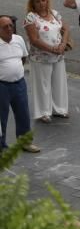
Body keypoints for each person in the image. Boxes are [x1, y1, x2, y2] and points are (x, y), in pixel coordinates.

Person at [23, 0, 69, 124]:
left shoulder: (55, 13)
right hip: (41, 58)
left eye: (43, 0)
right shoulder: (31, 18)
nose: (41, 3)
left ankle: (59, 109)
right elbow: (34, 40)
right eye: (37, 1)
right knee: (43, 85)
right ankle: (44, 112)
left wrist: (62, 45)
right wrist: (52, 50)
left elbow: (65, 29)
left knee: (59, 82)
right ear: (33, 4)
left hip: (58, 56)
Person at [0, 15, 40, 153]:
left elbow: (23, 57)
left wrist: (15, 72)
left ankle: (25, 142)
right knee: (1, 117)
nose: (9, 28)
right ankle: (1, 146)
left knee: (23, 113)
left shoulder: (19, 40)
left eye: (11, 25)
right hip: (2, 86)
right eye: (5, 27)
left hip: (19, 83)